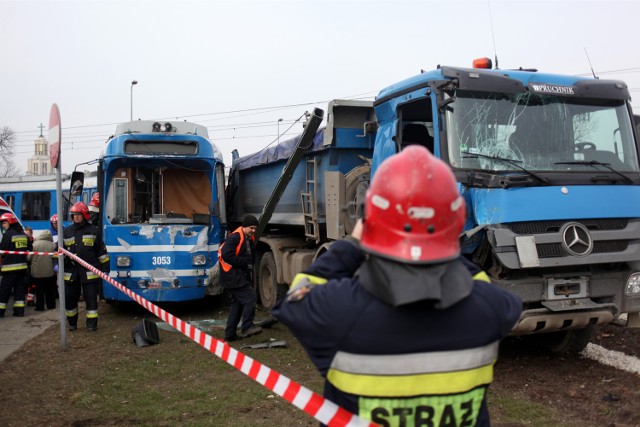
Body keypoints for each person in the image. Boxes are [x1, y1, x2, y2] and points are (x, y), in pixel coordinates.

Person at [272, 146, 523, 427]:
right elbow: (478, 282)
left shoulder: (339, 311)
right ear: (455, 219)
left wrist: (352, 245)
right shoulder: (493, 308)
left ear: (370, 220)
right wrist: (444, 242)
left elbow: (297, 296)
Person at [62, 202, 110, 331]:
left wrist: (105, 269)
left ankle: (91, 326)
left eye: (78, 215)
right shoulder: (67, 232)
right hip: (71, 273)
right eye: (74, 215)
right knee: (70, 300)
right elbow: (59, 251)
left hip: (89, 272)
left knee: (91, 302)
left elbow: (101, 252)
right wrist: (57, 264)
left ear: (84, 215)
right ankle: (72, 324)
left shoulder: (93, 231)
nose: (76, 217)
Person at [218, 214, 262, 341]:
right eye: (251, 228)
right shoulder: (235, 237)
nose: (253, 231)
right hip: (232, 276)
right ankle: (247, 327)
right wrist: (243, 262)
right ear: (244, 226)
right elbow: (226, 255)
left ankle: (230, 335)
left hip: (236, 275)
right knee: (250, 297)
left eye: (255, 228)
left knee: (237, 305)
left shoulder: (247, 237)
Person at [0, 213, 33, 317]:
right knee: (20, 290)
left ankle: (0, 312)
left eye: (4, 223)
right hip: (22, 268)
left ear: (10, 222)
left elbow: (2, 251)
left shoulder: (8, 235)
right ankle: (19, 312)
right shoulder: (23, 234)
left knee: (4, 291)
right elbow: (30, 248)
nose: (3, 225)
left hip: (9, 268)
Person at [28, 229, 57, 311]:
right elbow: (55, 258)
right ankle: (51, 305)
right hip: (49, 272)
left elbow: (29, 258)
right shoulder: (53, 245)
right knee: (49, 290)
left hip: (37, 272)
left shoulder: (35, 244)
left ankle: (39, 307)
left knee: (39, 291)